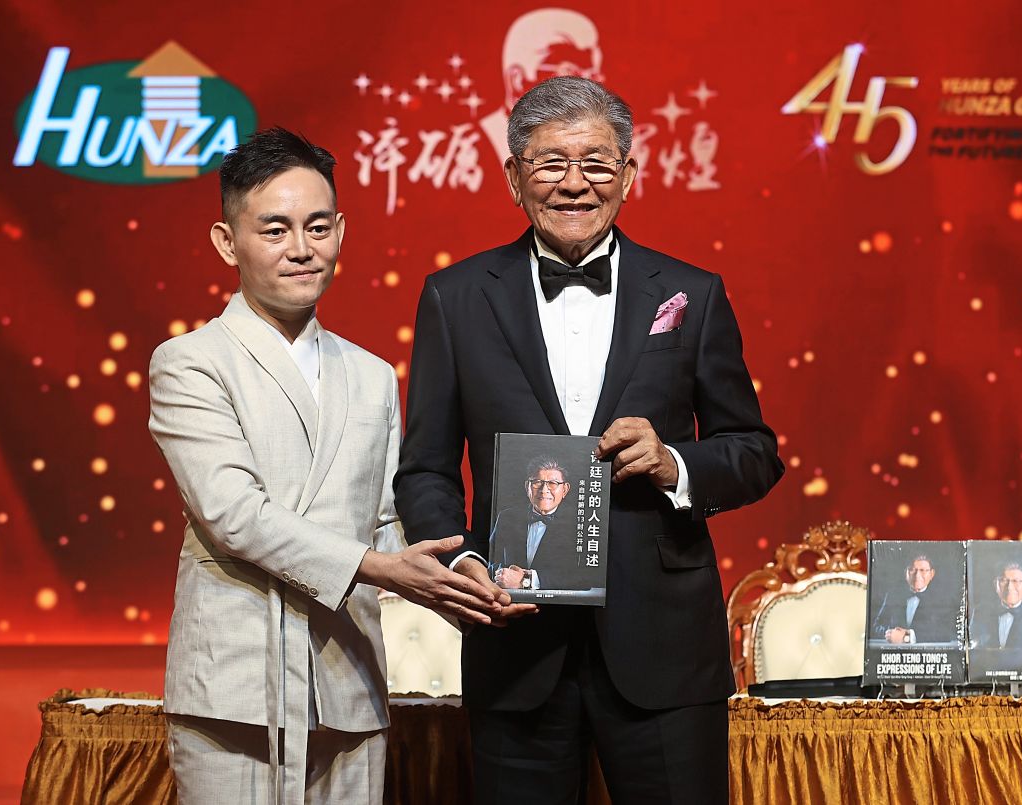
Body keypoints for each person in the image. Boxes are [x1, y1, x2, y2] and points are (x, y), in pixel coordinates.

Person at [395, 77, 784, 804]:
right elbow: (425, 468)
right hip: (515, 645)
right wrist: (464, 561)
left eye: (597, 163)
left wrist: (674, 463)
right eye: (549, 164)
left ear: (629, 175)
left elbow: (754, 451)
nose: (574, 184)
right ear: (513, 178)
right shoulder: (455, 296)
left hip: (663, 648)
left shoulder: (692, 294)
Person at [147, 127, 501, 804]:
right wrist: (377, 567)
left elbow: (388, 520)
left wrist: (465, 578)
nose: (301, 249)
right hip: (236, 685)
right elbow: (233, 514)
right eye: (274, 229)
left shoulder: (369, 374)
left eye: (317, 226)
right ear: (228, 242)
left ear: (341, 230)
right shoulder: (189, 362)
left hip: (348, 679)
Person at [479, 8, 604, 162]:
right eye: (571, 74)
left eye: (592, 76)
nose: (588, 91)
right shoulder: (476, 149)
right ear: (517, 81)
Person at [490, 456, 599, 591]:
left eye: (553, 483)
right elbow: (491, 560)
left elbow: (587, 576)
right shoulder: (507, 517)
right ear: (527, 486)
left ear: (565, 489)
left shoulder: (582, 522)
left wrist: (527, 579)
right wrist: (502, 574)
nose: (544, 490)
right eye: (537, 482)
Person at [871, 554, 958, 644]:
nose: (917, 575)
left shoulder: (943, 599)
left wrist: (907, 637)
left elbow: (948, 632)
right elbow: (876, 626)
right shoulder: (893, 595)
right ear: (906, 573)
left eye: (923, 570)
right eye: (912, 570)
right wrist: (891, 634)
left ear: (932, 574)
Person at [970, 561, 1022, 650]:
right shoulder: (981, 612)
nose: (1009, 587)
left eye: (1016, 581)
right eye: (1004, 581)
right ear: (995, 585)